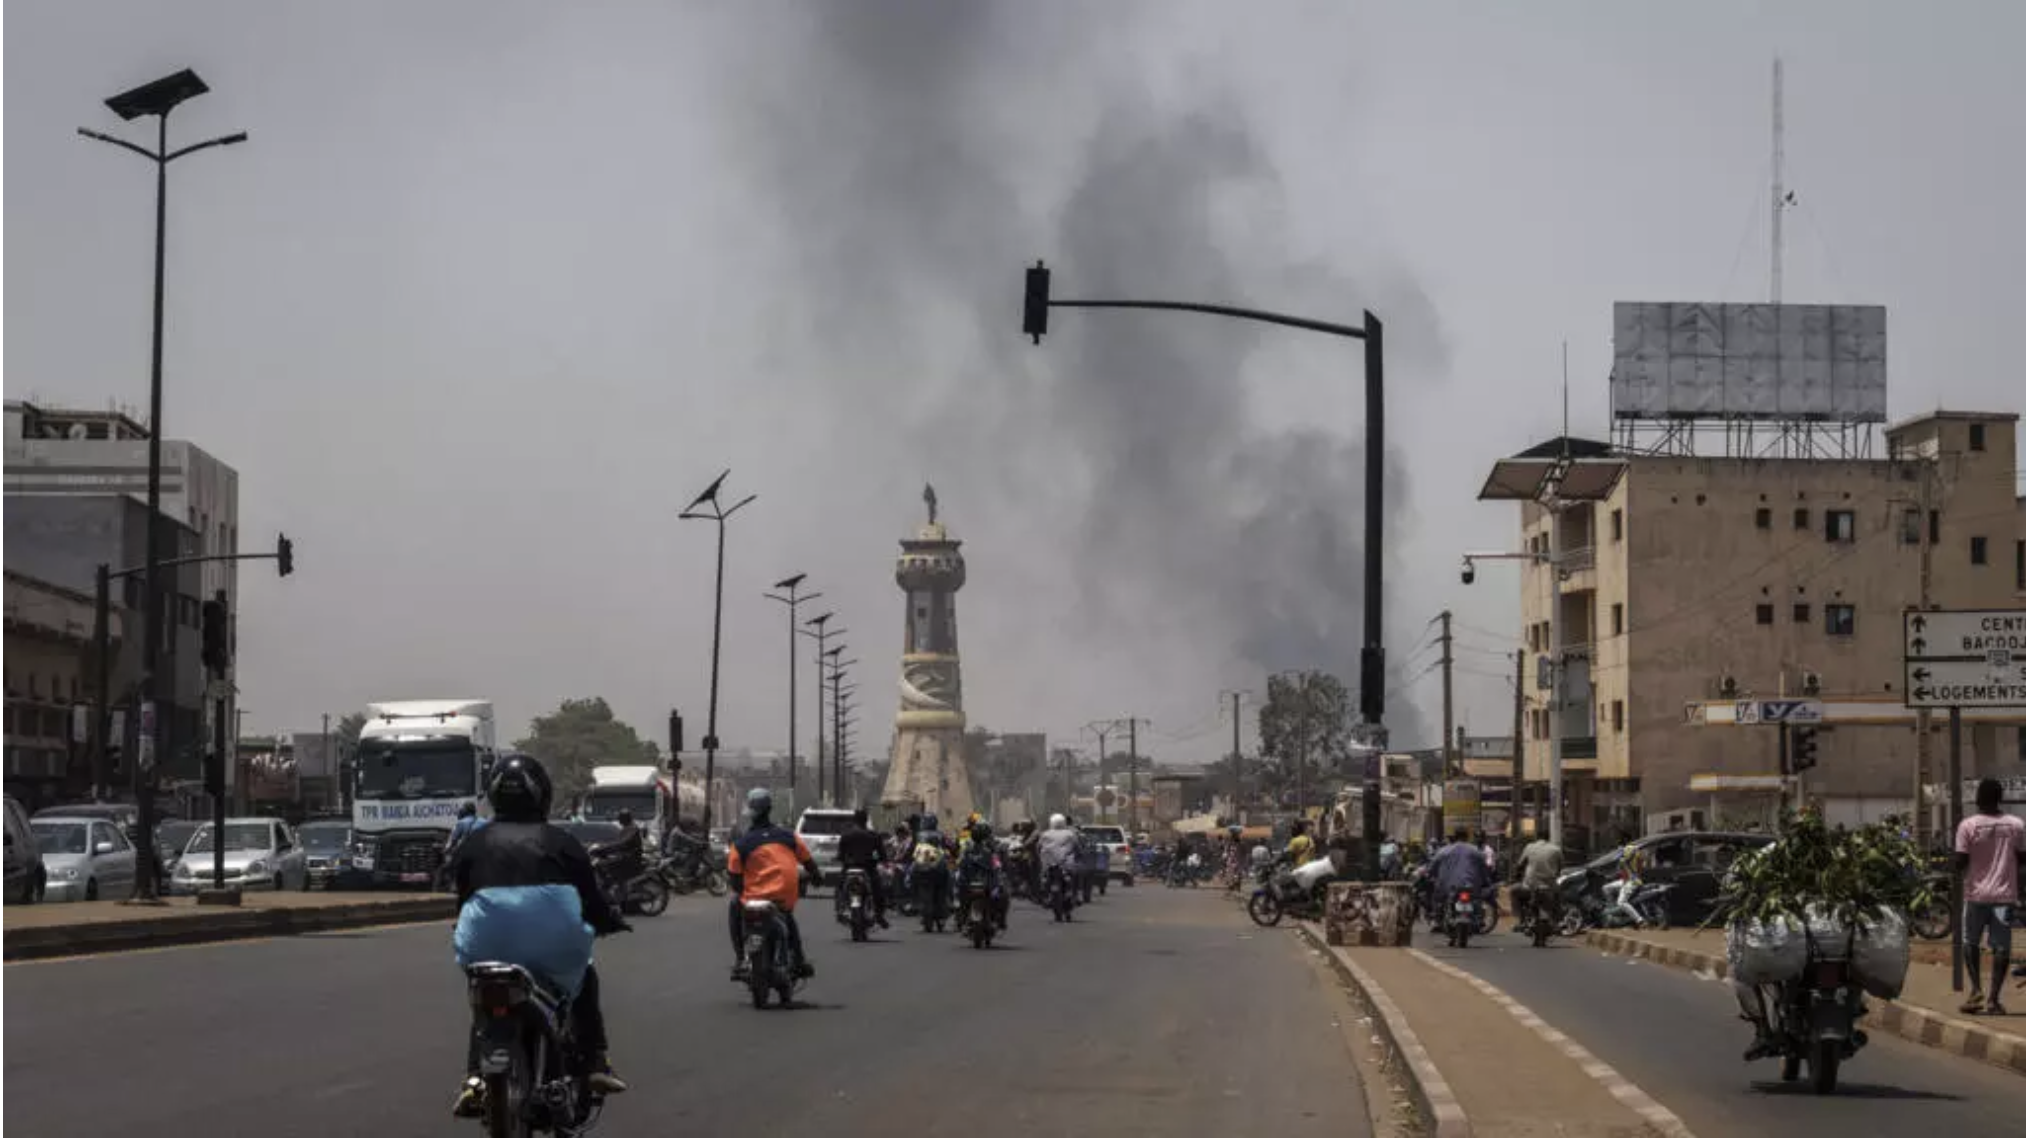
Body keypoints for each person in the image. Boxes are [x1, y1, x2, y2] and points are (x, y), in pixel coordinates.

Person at [447, 755, 627, 1118]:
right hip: (554, 946)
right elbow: (592, 901)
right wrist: (609, 920)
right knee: (584, 978)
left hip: (485, 942)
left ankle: (474, 1079)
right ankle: (595, 1062)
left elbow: (463, 899)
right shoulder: (563, 841)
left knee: (483, 998)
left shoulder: (473, 843)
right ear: (542, 794)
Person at [726, 788, 820, 981]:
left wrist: (746, 890)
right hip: (783, 896)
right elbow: (810, 864)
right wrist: (817, 878)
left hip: (753, 899)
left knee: (734, 905)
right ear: (769, 810)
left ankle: (740, 958)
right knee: (787, 916)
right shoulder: (789, 836)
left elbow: (735, 881)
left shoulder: (741, 843)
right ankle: (799, 959)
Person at [1956, 778, 2026, 1015]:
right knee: (2002, 948)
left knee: (1970, 941)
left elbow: (1960, 861)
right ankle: (1994, 1000)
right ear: (2000, 798)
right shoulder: (2016, 824)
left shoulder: (1968, 825)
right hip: (2005, 896)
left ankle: (1976, 990)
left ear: (1978, 798)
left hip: (1976, 895)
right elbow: (2023, 858)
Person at [1426, 827, 1492, 930]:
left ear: (1454, 837)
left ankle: (1437, 920)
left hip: (1448, 886)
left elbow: (1433, 866)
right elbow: (1483, 869)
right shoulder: (1476, 851)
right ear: (1467, 837)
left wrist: (1430, 875)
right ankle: (1479, 919)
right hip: (1471, 885)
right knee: (1478, 898)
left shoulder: (1444, 850)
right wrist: (1486, 881)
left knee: (1438, 899)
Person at [836, 807, 890, 929]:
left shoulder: (846, 835)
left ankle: (840, 909)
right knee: (878, 891)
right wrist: (882, 860)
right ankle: (879, 916)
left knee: (840, 888)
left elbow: (840, 854)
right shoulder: (873, 835)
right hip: (868, 869)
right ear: (866, 820)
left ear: (854, 820)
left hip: (849, 869)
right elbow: (882, 855)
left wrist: (843, 860)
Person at [955, 821, 1009, 930]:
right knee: (1004, 894)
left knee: (959, 895)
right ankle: (1000, 919)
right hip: (979, 882)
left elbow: (961, 864)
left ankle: (961, 918)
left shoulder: (968, 849)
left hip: (974, 883)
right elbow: (997, 865)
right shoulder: (989, 849)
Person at [1511, 833, 1564, 929]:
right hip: (1549, 886)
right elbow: (1560, 867)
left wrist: (1516, 876)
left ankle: (1520, 920)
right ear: (1548, 838)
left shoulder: (1529, 847)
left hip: (1529, 885)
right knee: (1558, 896)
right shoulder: (1556, 849)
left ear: (1536, 838)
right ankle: (1557, 922)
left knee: (1513, 891)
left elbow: (1520, 865)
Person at [1037, 814, 1081, 904]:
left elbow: (1038, 847)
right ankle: (1075, 895)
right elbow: (1077, 846)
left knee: (1044, 878)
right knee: (1074, 876)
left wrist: (1040, 856)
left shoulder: (1045, 834)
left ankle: (1046, 896)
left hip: (1050, 863)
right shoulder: (1070, 833)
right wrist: (1079, 854)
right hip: (1065, 863)